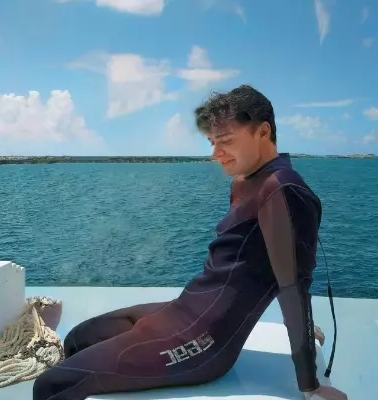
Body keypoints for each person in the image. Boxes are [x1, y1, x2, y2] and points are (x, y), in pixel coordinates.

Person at [33, 84, 347, 400]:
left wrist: (311, 385)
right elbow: (255, 261)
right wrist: (307, 327)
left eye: (226, 141)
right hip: (185, 308)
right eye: (212, 142)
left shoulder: (282, 189)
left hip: (206, 340)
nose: (215, 154)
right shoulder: (244, 181)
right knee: (78, 339)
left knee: (51, 386)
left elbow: (292, 286)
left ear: (263, 131)